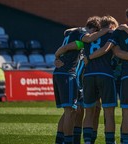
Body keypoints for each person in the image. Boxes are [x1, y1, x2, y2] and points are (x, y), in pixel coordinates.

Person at [84, 6, 128, 144]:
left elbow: (116, 52)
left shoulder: (113, 33)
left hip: (124, 76)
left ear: (127, 17)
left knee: (125, 114)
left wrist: (89, 57)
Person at [54, 16, 109, 144]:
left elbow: (67, 36)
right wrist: (106, 30)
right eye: (96, 32)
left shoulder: (73, 33)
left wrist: (57, 56)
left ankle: (60, 140)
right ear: (94, 29)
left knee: (73, 110)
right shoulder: (81, 34)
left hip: (66, 73)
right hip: (67, 74)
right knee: (70, 110)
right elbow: (82, 41)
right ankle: (67, 141)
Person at [81, 15, 120, 144]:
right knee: (109, 112)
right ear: (112, 26)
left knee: (89, 111)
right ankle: (110, 141)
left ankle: (87, 141)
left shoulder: (90, 36)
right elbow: (114, 51)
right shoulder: (112, 35)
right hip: (105, 74)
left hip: (88, 75)